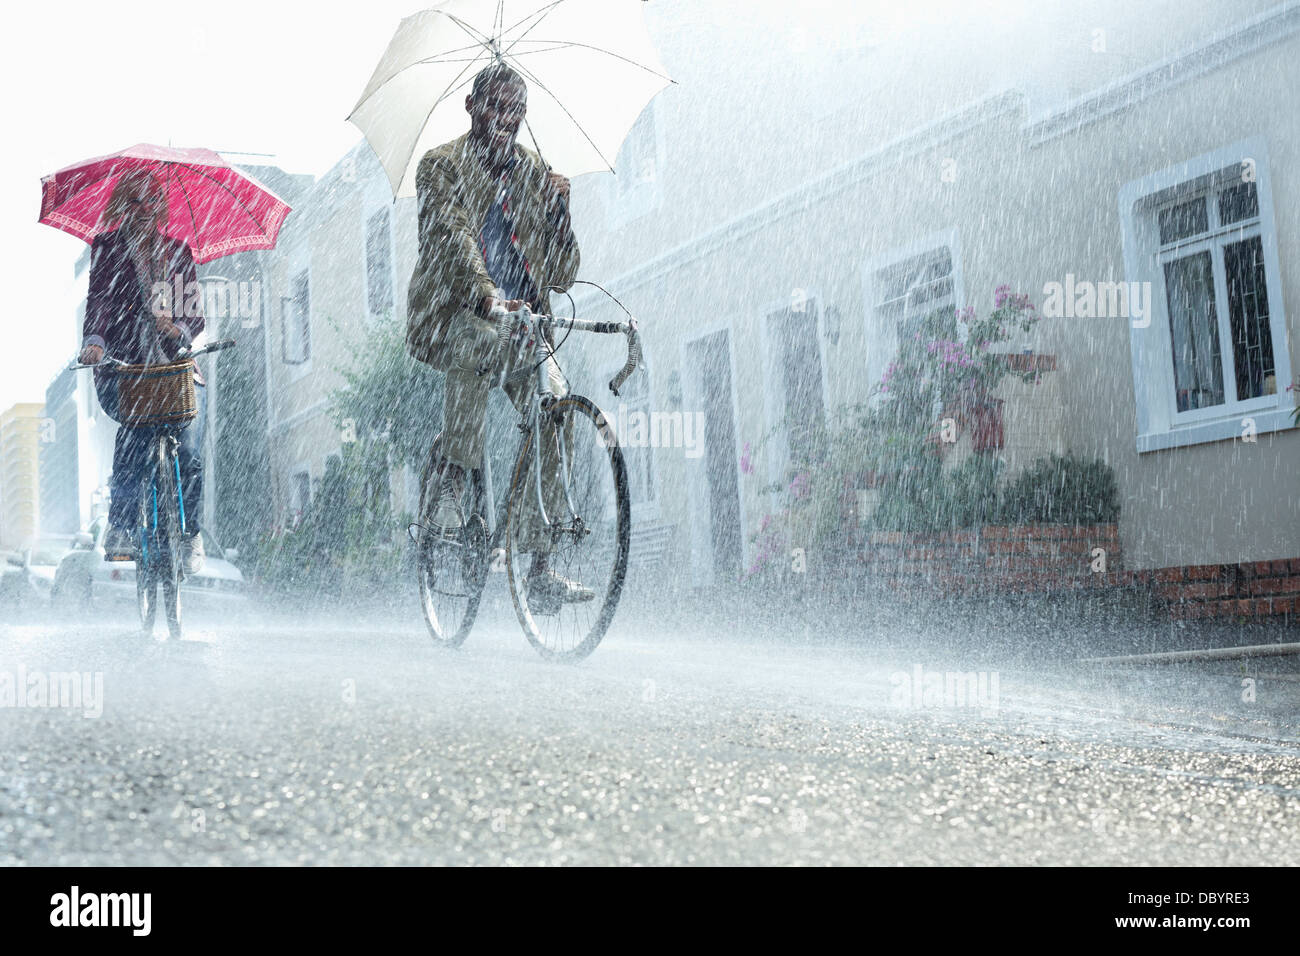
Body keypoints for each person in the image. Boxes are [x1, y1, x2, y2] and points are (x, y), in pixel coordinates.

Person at [406, 61, 589, 609]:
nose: (506, 119)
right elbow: (451, 238)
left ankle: (539, 566)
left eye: (516, 110)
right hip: (459, 313)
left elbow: (562, 274)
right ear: (471, 106)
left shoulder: (536, 172)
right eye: (496, 106)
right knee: (472, 341)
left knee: (556, 403)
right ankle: (457, 470)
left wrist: (560, 215)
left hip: (523, 327)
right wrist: (489, 296)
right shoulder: (442, 167)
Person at [78, 171, 207, 573]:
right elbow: (98, 300)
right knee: (132, 438)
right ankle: (120, 527)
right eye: (134, 201)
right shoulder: (107, 250)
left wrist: (177, 328)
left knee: (187, 450)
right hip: (127, 369)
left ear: (162, 207)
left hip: (173, 371)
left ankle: (190, 535)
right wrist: (96, 340)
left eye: (152, 199)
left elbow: (195, 316)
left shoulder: (178, 253)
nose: (144, 208)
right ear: (122, 207)